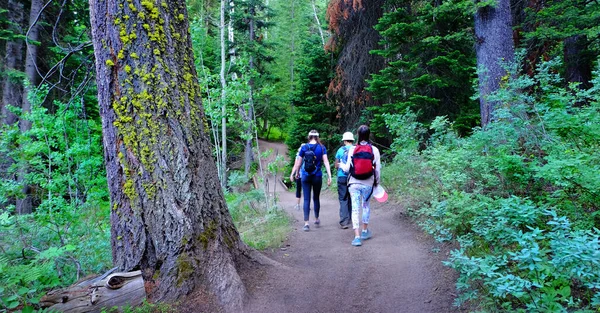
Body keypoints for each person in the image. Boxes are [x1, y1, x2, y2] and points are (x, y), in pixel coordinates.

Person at [340, 125, 381, 246]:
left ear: (357, 135)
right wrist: (376, 183)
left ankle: (357, 237)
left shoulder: (352, 149)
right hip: (368, 183)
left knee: (355, 208)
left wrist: (341, 165)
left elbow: (347, 169)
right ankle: (364, 230)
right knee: (366, 205)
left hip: (354, 183)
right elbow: (377, 170)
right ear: (369, 135)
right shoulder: (374, 150)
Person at [290, 130, 332, 231]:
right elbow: (326, 162)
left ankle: (306, 223)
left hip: (305, 176)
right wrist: (329, 176)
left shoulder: (304, 147)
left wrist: (296, 173)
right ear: (317, 137)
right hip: (317, 175)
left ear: (309, 137)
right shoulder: (321, 148)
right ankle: (316, 218)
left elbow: (298, 163)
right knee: (316, 198)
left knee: (306, 199)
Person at [334, 132, 354, 229]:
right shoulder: (355, 150)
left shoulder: (340, 150)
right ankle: (350, 218)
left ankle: (344, 221)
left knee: (343, 198)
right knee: (351, 198)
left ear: (344, 140)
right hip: (353, 177)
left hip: (342, 176)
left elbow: (336, 165)